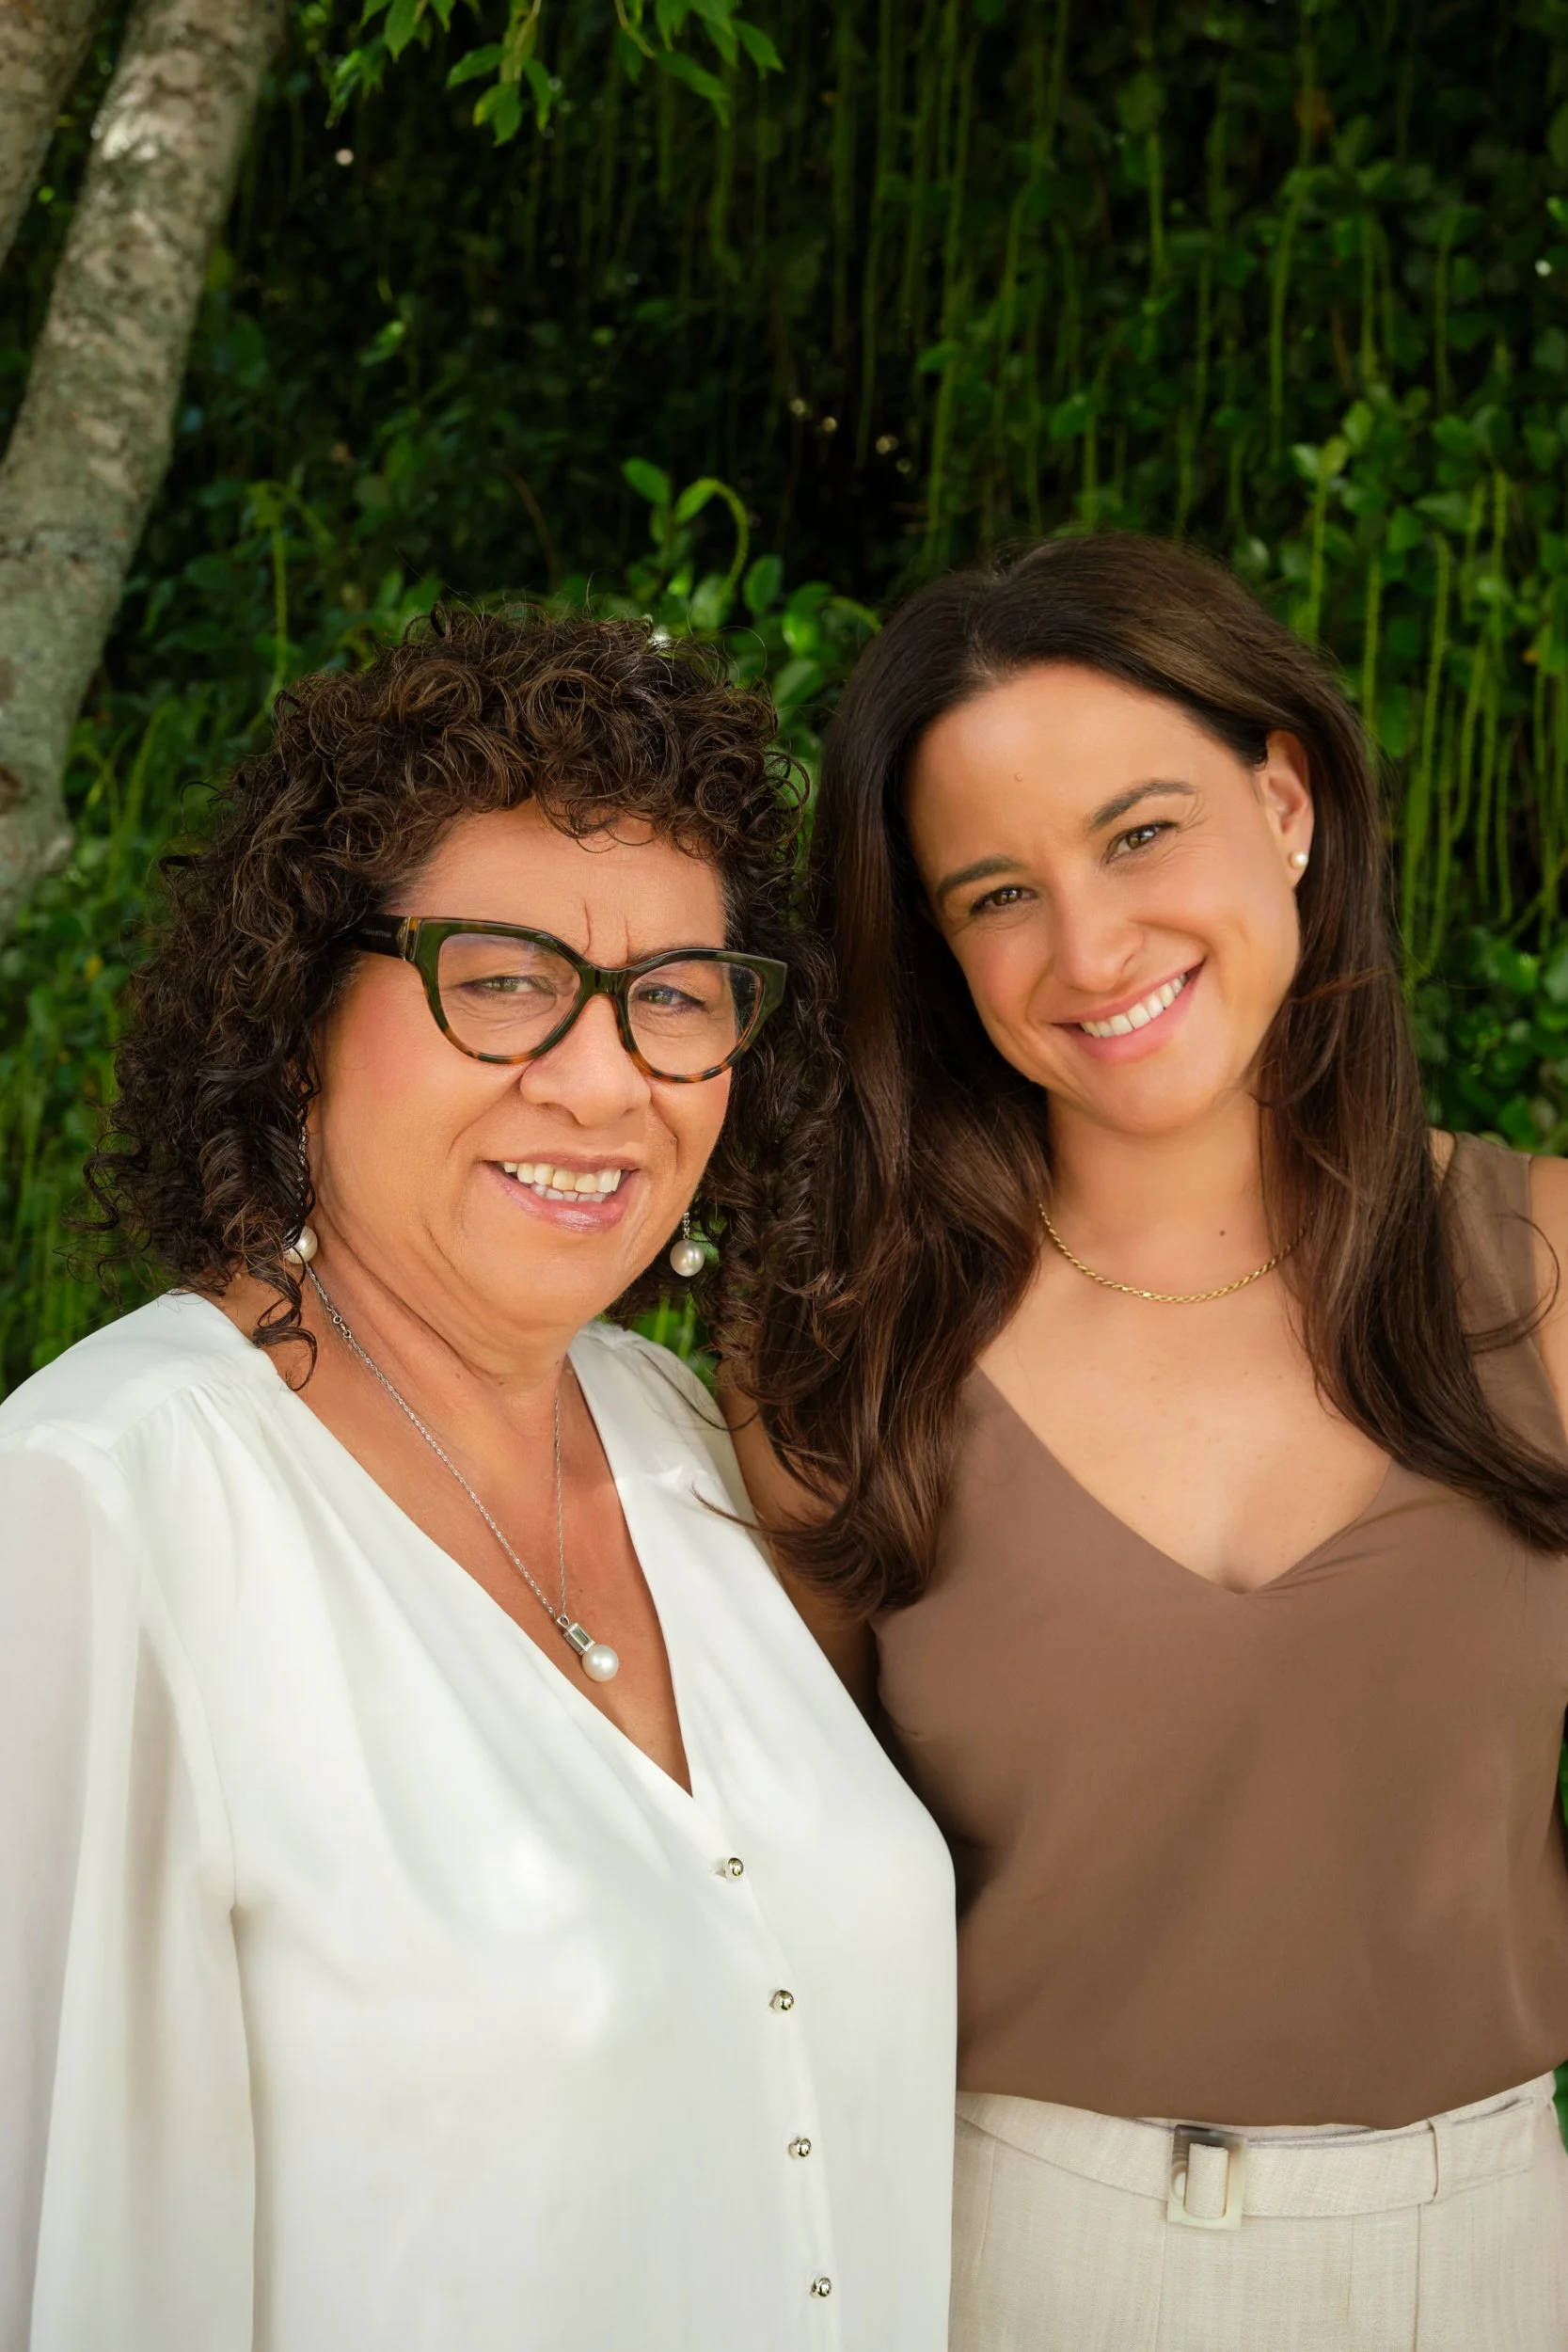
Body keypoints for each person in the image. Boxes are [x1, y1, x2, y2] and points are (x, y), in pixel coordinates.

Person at [0, 611, 956, 2352]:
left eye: (673, 996)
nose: (603, 1079)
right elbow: (75, 2262)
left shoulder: (676, 1432)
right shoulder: (104, 1509)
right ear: (299, 1019)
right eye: (503, 978)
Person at [732, 533, 1568, 2350]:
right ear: (937, 950)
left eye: (1136, 832)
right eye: (994, 895)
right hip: (1000, 2249)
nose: (1089, 947)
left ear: (1286, 803)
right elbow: (765, 1918)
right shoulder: (837, 1347)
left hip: (1486, 2246)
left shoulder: (1553, 1269)